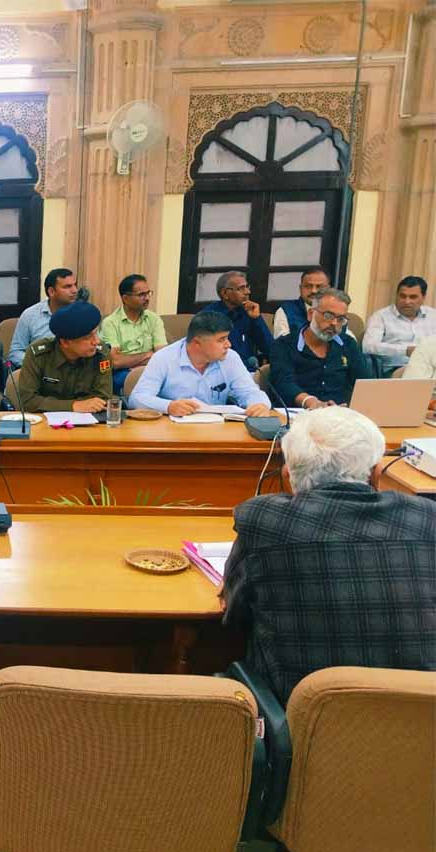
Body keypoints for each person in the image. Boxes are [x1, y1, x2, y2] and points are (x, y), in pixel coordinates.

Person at [222, 406, 436, 704]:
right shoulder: (427, 518)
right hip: (418, 721)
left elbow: (234, 614)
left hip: (300, 720)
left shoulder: (262, 519)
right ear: (376, 474)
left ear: (287, 476)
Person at [129, 311, 273, 416]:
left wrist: (260, 404)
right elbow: (137, 398)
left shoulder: (230, 358)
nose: (228, 345)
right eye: (221, 340)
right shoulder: (164, 358)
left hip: (216, 431)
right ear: (197, 343)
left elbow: (249, 392)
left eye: (227, 338)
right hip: (172, 431)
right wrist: (169, 406)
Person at [269, 288, 371, 409]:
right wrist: (310, 402)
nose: (334, 323)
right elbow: (283, 383)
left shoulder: (348, 345)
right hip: (299, 413)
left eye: (340, 319)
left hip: (340, 413)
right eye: (328, 315)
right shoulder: (284, 345)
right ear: (311, 314)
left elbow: (365, 383)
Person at [14, 303, 112, 413]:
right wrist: (73, 406)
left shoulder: (100, 354)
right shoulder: (39, 355)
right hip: (44, 419)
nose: (96, 341)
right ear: (65, 342)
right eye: (87, 337)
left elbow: (103, 398)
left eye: (96, 333)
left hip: (89, 419)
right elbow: (28, 401)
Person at [99, 273, 168, 395]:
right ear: (125, 298)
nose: (147, 298)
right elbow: (116, 362)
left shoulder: (154, 319)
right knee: (140, 382)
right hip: (121, 373)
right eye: (141, 295)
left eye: (148, 293)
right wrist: (147, 355)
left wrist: (134, 363)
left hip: (150, 369)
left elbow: (162, 356)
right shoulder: (110, 323)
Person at [200, 270, 273, 368]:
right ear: (225, 293)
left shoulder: (248, 312)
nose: (248, 292)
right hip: (219, 371)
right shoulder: (208, 316)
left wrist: (257, 319)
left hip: (249, 371)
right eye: (241, 288)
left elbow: (270, 349)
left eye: (247, 287)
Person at [363, 276, 434, 375]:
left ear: (423, 297)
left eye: (413, 297)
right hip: (396, 368)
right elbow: (368, 346)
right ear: (396, 295)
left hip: (430, 367)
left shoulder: (433, 315)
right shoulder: (381, 316)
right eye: (402, 296)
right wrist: (405, 350)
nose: (407, 301)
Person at [8, 268, 79, 367]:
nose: (75, 290)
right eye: (67, 287)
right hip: (39, 371)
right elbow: (15, 352)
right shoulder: (30, 315)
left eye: (75, 285)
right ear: (51, 291)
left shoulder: (83, 314)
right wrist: (39, 366)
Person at [272, 267, 330, 338]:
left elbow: (341, 342)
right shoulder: (286, 311)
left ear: (328, 289)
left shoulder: (337, 312)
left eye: (319, 286)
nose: (313, 291)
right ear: (300, 288)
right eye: (308, 286)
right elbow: (281, 343)